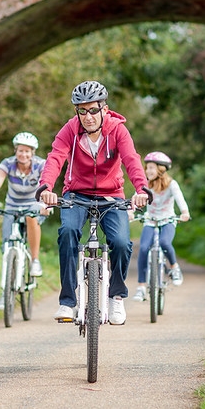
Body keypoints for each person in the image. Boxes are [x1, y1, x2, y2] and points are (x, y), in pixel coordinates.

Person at [39, 80, 149, 325]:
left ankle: (117, 296)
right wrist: (46, 187)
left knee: (120, 243)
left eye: (93, 110)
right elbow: (55, 158)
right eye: (81, 111)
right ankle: (67, 301)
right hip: (76, 194)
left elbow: (132, 160)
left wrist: (141, 189)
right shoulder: (70, 129)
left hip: (111, 196)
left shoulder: (118, 130)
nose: (87, 116)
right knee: (67, 232)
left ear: (104, 108)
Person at [0, 131, 50, 309]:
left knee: (30, 217)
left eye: (27, 151)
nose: (23, 154)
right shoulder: (7, 164)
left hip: (34, 204)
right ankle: (6, 292)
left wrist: (46, 205)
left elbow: (46, 185)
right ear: (15, 150)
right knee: (7, 247)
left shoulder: (40, 164)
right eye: (20, 151)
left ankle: (34, 260)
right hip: (12, 206)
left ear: (32, 152)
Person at [132, 151, 190, 302]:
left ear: (161, 169)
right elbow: (136, 198)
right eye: (147, 168)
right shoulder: (143, 184)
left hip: (168, 220)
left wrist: (184, 212)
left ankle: (174, 268)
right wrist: (130, 211)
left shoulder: (171, 184)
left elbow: (180, 199)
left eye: (151, 168)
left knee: (165, 242)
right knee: (143, 248)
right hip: (150, 220)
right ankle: (141, 287)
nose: (147, 171)